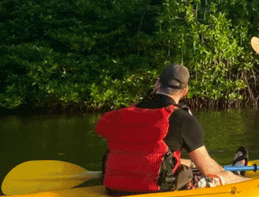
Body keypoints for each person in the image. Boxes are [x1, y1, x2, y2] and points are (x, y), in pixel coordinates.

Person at [95, 64, 249, 195]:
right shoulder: (184, 120)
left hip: (114, 189)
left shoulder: (122, 115)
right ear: (185, 91)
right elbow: (209, 169)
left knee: (191, 164)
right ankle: (243, 178)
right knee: (223, 175)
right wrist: (229, 174)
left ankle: (234, 169)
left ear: (157, 84)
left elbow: (143, 151)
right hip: (157, 190)